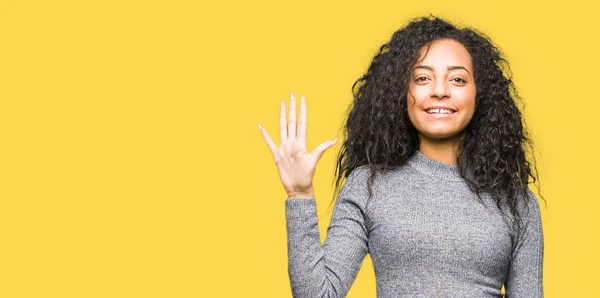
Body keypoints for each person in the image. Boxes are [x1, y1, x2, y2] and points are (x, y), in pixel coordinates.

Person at [258, 15, 544, 298]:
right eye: (422, 78)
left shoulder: (517, 202)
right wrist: (299, 194)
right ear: (403, 93)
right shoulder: (369, 186)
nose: (440, 91)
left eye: (457, 79)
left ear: (479, 95)